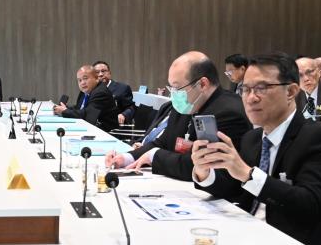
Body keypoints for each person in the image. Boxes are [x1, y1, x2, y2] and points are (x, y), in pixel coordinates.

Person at [191, 52, 321, 245]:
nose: (251, 98)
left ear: (291, 91)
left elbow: (310, 205)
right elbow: (233, 188)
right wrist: (204, 171)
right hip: (250, 238)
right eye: (245, 89)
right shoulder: (252, 138)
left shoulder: (320, 138)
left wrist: (248, 174)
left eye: (261, 88)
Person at [105, 51, 251, 182]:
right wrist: (127, 157)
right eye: (171, 88)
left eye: (177, 88)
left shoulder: (229, 113)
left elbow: (203, 165)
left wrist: (155, 157)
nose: (174, 94)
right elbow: (163, 142)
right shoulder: (187, 105)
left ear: (202, 84)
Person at [52, 65, 119, 132]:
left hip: (105, 132)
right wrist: (66, 108)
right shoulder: (85, 91)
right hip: (91, 128)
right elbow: (80, 108)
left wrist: (65, 111)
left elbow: (88, 115)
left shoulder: (100, 92)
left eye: (85, 78)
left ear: (96, 79)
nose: (82, 83)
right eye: (79, 80)